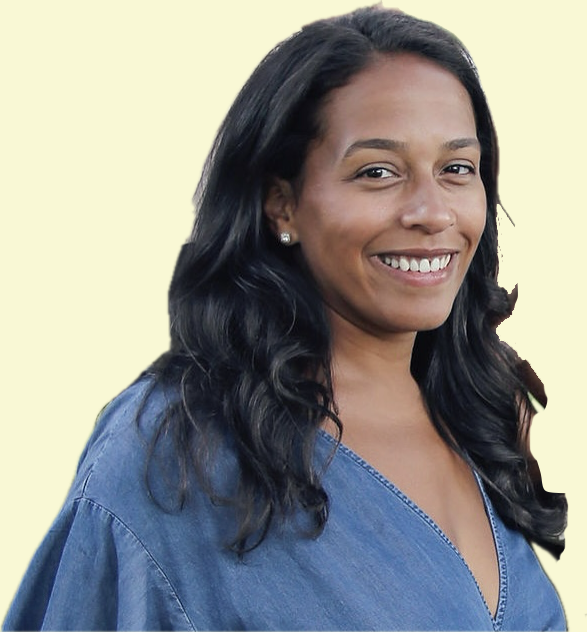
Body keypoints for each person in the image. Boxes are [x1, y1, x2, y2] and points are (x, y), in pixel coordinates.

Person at [3, 6, 567, 630]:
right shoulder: (174, 452)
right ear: (282, 204)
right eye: (378, 172)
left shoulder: (477, 415)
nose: (433, 212)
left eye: (456, 169)